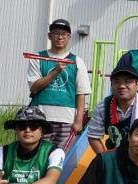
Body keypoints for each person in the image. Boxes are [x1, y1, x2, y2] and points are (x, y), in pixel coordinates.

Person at [27, 18, 91, 148]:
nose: (60, 37)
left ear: (69, 38)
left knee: (59, 157)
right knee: (39, 153)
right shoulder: (37, 58)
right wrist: (55, 72)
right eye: (56, 33)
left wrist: (79, 120)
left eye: (64, 34)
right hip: (40, 116)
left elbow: (81, 93)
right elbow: (34, 87)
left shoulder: (77, 61)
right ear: (50, 36)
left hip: (67, 118)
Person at [86, 66, 138, 163]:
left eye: (127, 81)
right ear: (111, 85)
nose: (121, 86)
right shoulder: (103, 107)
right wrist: (107, 162)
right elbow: (93, 136)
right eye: (117, 82)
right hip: (114, 156)